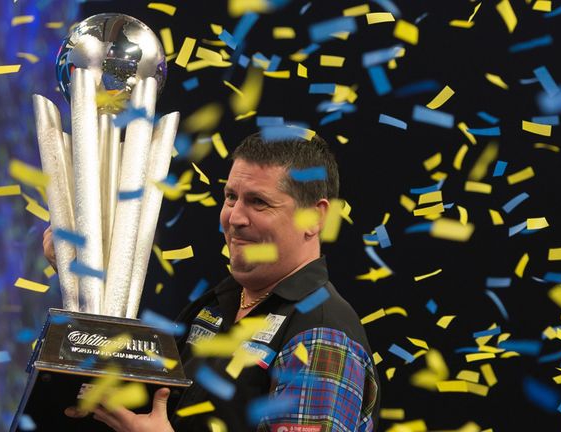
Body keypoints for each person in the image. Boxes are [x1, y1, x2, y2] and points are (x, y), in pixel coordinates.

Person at [44, 132, 379, 431]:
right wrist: (84, 278)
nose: (234, 218)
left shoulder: (322, 331)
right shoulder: (217, 305)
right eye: (231, 196)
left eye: (258, 202)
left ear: (315, 217)